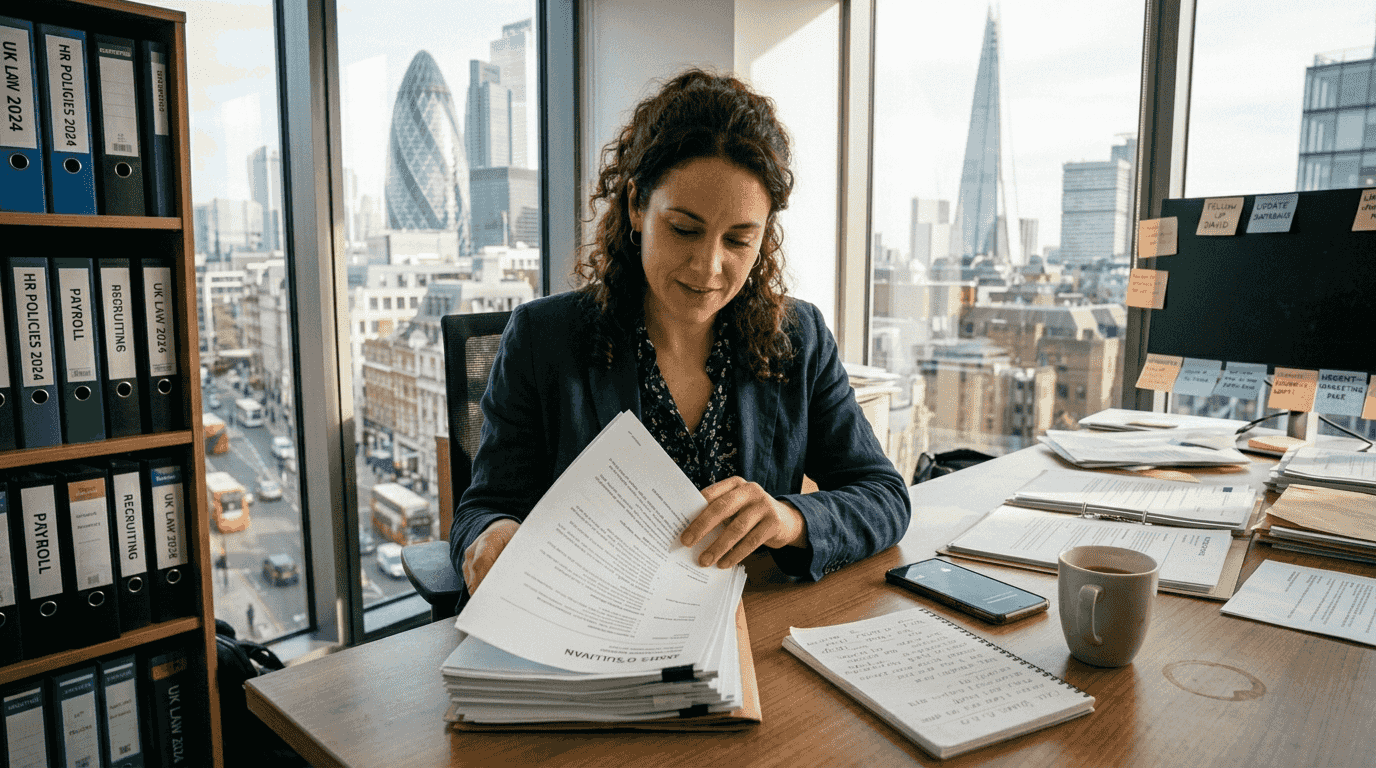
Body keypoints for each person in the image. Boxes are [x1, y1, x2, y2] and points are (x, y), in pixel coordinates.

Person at [449, 68, 911, 609]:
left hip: (741, 620)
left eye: (739, 240)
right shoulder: (543, 338)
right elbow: (483, 508)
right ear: (636, 207)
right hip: (593, 621)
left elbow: (884, 496)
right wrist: (493, 533)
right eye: (684, 229)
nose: (708, 266)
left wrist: (789, 519)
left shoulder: (799, 337)